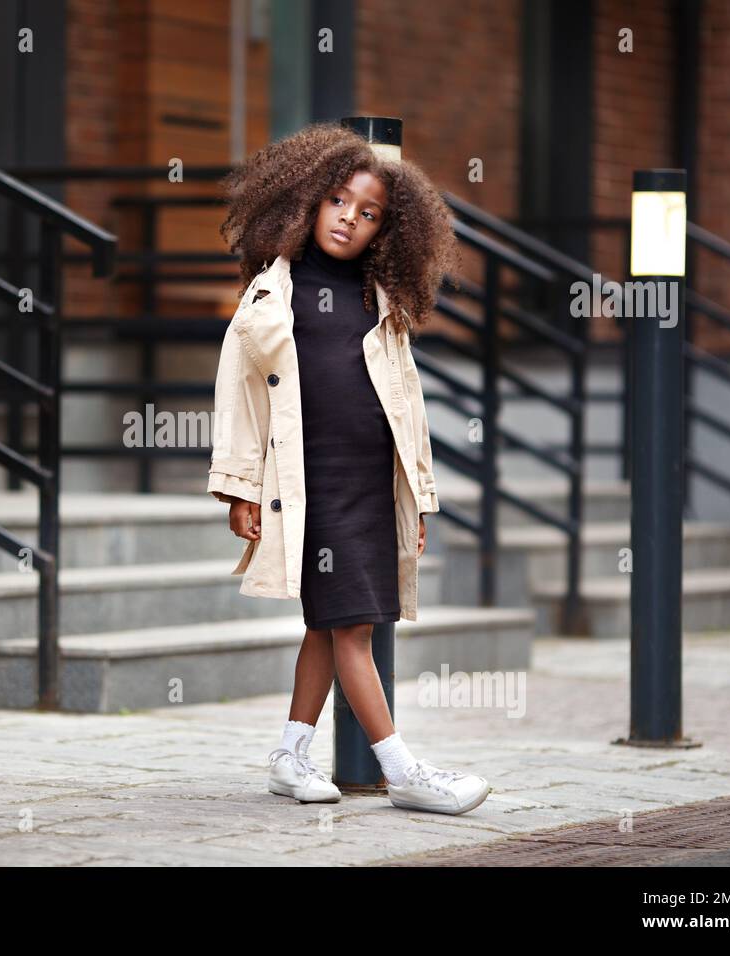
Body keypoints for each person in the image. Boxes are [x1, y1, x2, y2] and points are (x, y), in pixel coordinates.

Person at [210, 122, 490, 815]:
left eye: (369, 214)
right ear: (307, 201)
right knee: (355, 627)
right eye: (339, 201)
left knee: (329, 623)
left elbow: (409, 404)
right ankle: (403, 772)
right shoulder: (275, 292)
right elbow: (237, 394)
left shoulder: (380, 301)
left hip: (369, 484)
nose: (349, 220)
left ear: (386, 233)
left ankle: (289, 755)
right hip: (310, 486)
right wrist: (239, 487)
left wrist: (418, 496)